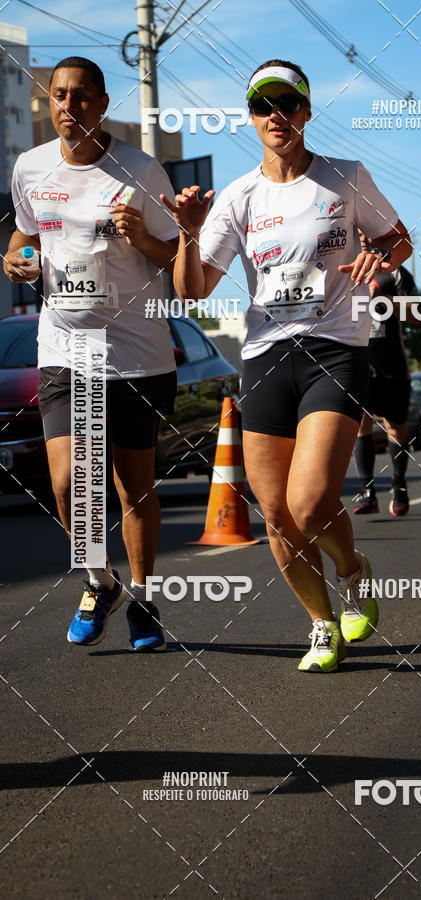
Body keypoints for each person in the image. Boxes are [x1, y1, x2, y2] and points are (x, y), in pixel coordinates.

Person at [163, 59, 411, 672]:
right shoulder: (241, 196)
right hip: (266, 356)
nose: (275, 115)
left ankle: (353, 574)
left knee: (309, 500)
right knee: (274, 513)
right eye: (261, 106)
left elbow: (400, 238)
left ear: (305, 110)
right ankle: (322, 623)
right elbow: (193, 291)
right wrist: (188, 236)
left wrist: (378, 256)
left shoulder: (345, 177)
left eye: (286, 104)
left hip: (335, 348)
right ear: (251, 117)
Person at [4, 57, 180, 650]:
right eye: (59, 95)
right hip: (63, 348)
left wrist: (143, 237)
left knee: (133, 489)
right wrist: (15, 258)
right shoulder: (30, 167)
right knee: (67, 482)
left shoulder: (139, 169)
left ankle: (145, 598)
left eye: (81, 97)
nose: (69, 107)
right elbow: (25, 232)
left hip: (135, 355)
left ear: (103, 105)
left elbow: (178, 260)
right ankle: (99, 579)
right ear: (48, 102)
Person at [353, 266, 418, 517]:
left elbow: (417, 314)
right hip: (357, 363)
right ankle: (367, 492)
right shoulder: (340, 267)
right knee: (360, 425)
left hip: (392, 365)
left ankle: (399, 485)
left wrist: (384, 300)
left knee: (396, 427)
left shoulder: (394, 273)